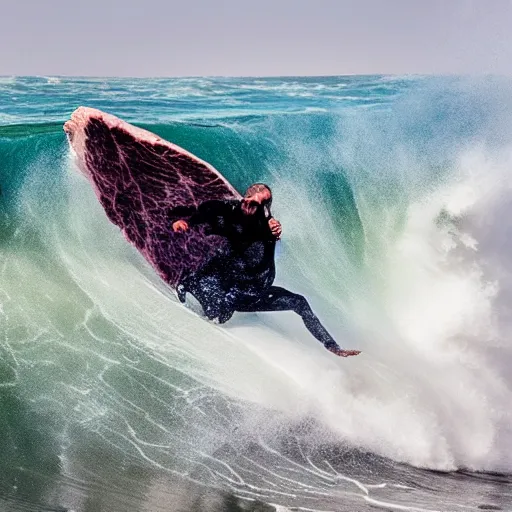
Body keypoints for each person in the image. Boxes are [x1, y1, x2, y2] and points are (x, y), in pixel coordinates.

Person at [172, 183, 360, 358]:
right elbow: (204, 211)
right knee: (217, 304)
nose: (250, 206)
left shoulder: (267, 224)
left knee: (298, 302)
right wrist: (185, 221)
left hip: (254, 292)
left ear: (265, 207)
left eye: (257, 204)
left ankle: (332, 346)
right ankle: (190, 282)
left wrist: (273, 227)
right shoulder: (227, 209)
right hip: (229, 279)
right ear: (244, 198)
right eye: (248, 201)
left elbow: (271, 224)